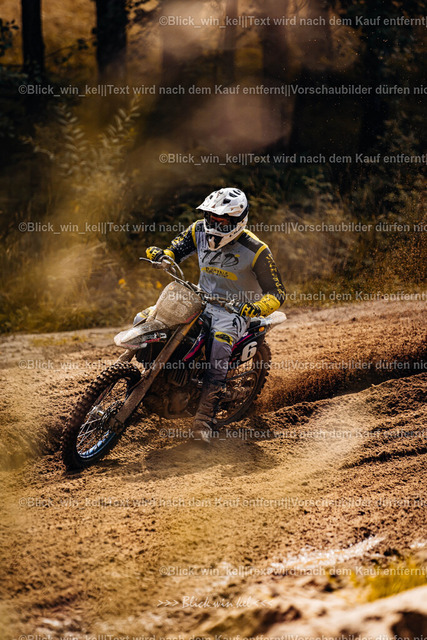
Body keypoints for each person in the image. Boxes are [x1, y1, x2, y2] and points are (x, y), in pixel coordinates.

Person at [146, 187, 285, 441]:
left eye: (221, 221)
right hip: (200, 299)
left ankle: (205, 419)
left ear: (238, 220)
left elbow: (277, 293)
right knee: (153, 318)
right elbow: (176, 249)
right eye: (211, 218)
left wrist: (256, 308)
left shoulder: (257, 250)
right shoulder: (198, 230)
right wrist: (164, 255)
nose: (214, 225)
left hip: (234, 311)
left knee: (219, 345)